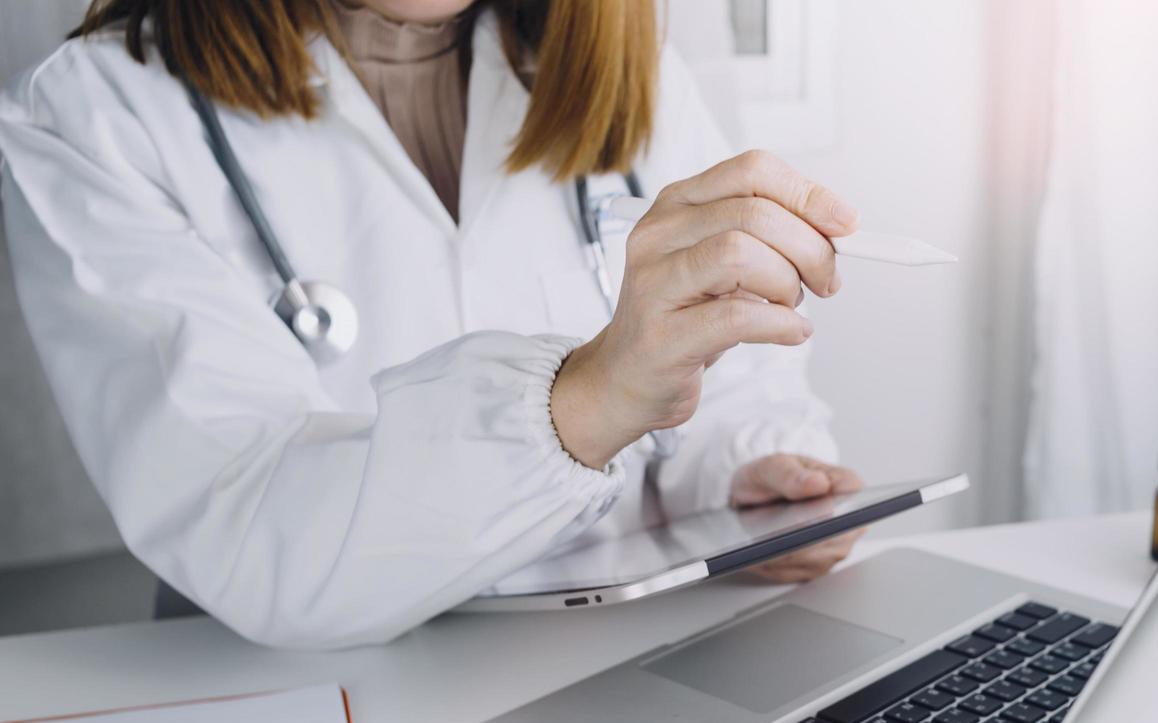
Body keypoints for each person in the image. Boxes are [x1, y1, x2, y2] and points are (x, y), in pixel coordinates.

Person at [0, 0, 865, 649]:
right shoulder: (98, 113)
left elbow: (732, 385)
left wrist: (746, 485)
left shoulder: (629, 75)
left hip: (600, 679)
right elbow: (244, 530)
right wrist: (589, 401)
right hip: (303, 712)